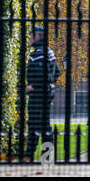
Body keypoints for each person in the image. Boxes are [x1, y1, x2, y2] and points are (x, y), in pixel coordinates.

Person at [24, 27, 60, 160]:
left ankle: (29, 156)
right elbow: (56, 72)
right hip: (47, 94)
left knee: (33, 125)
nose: (30, 38)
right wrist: (50, 87)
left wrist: (32, 86)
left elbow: (42, 75)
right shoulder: (49, 52)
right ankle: (47, 157)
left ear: (37, 36)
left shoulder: (37, 54)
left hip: (37, 95)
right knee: (45, 126)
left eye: (31, 36)